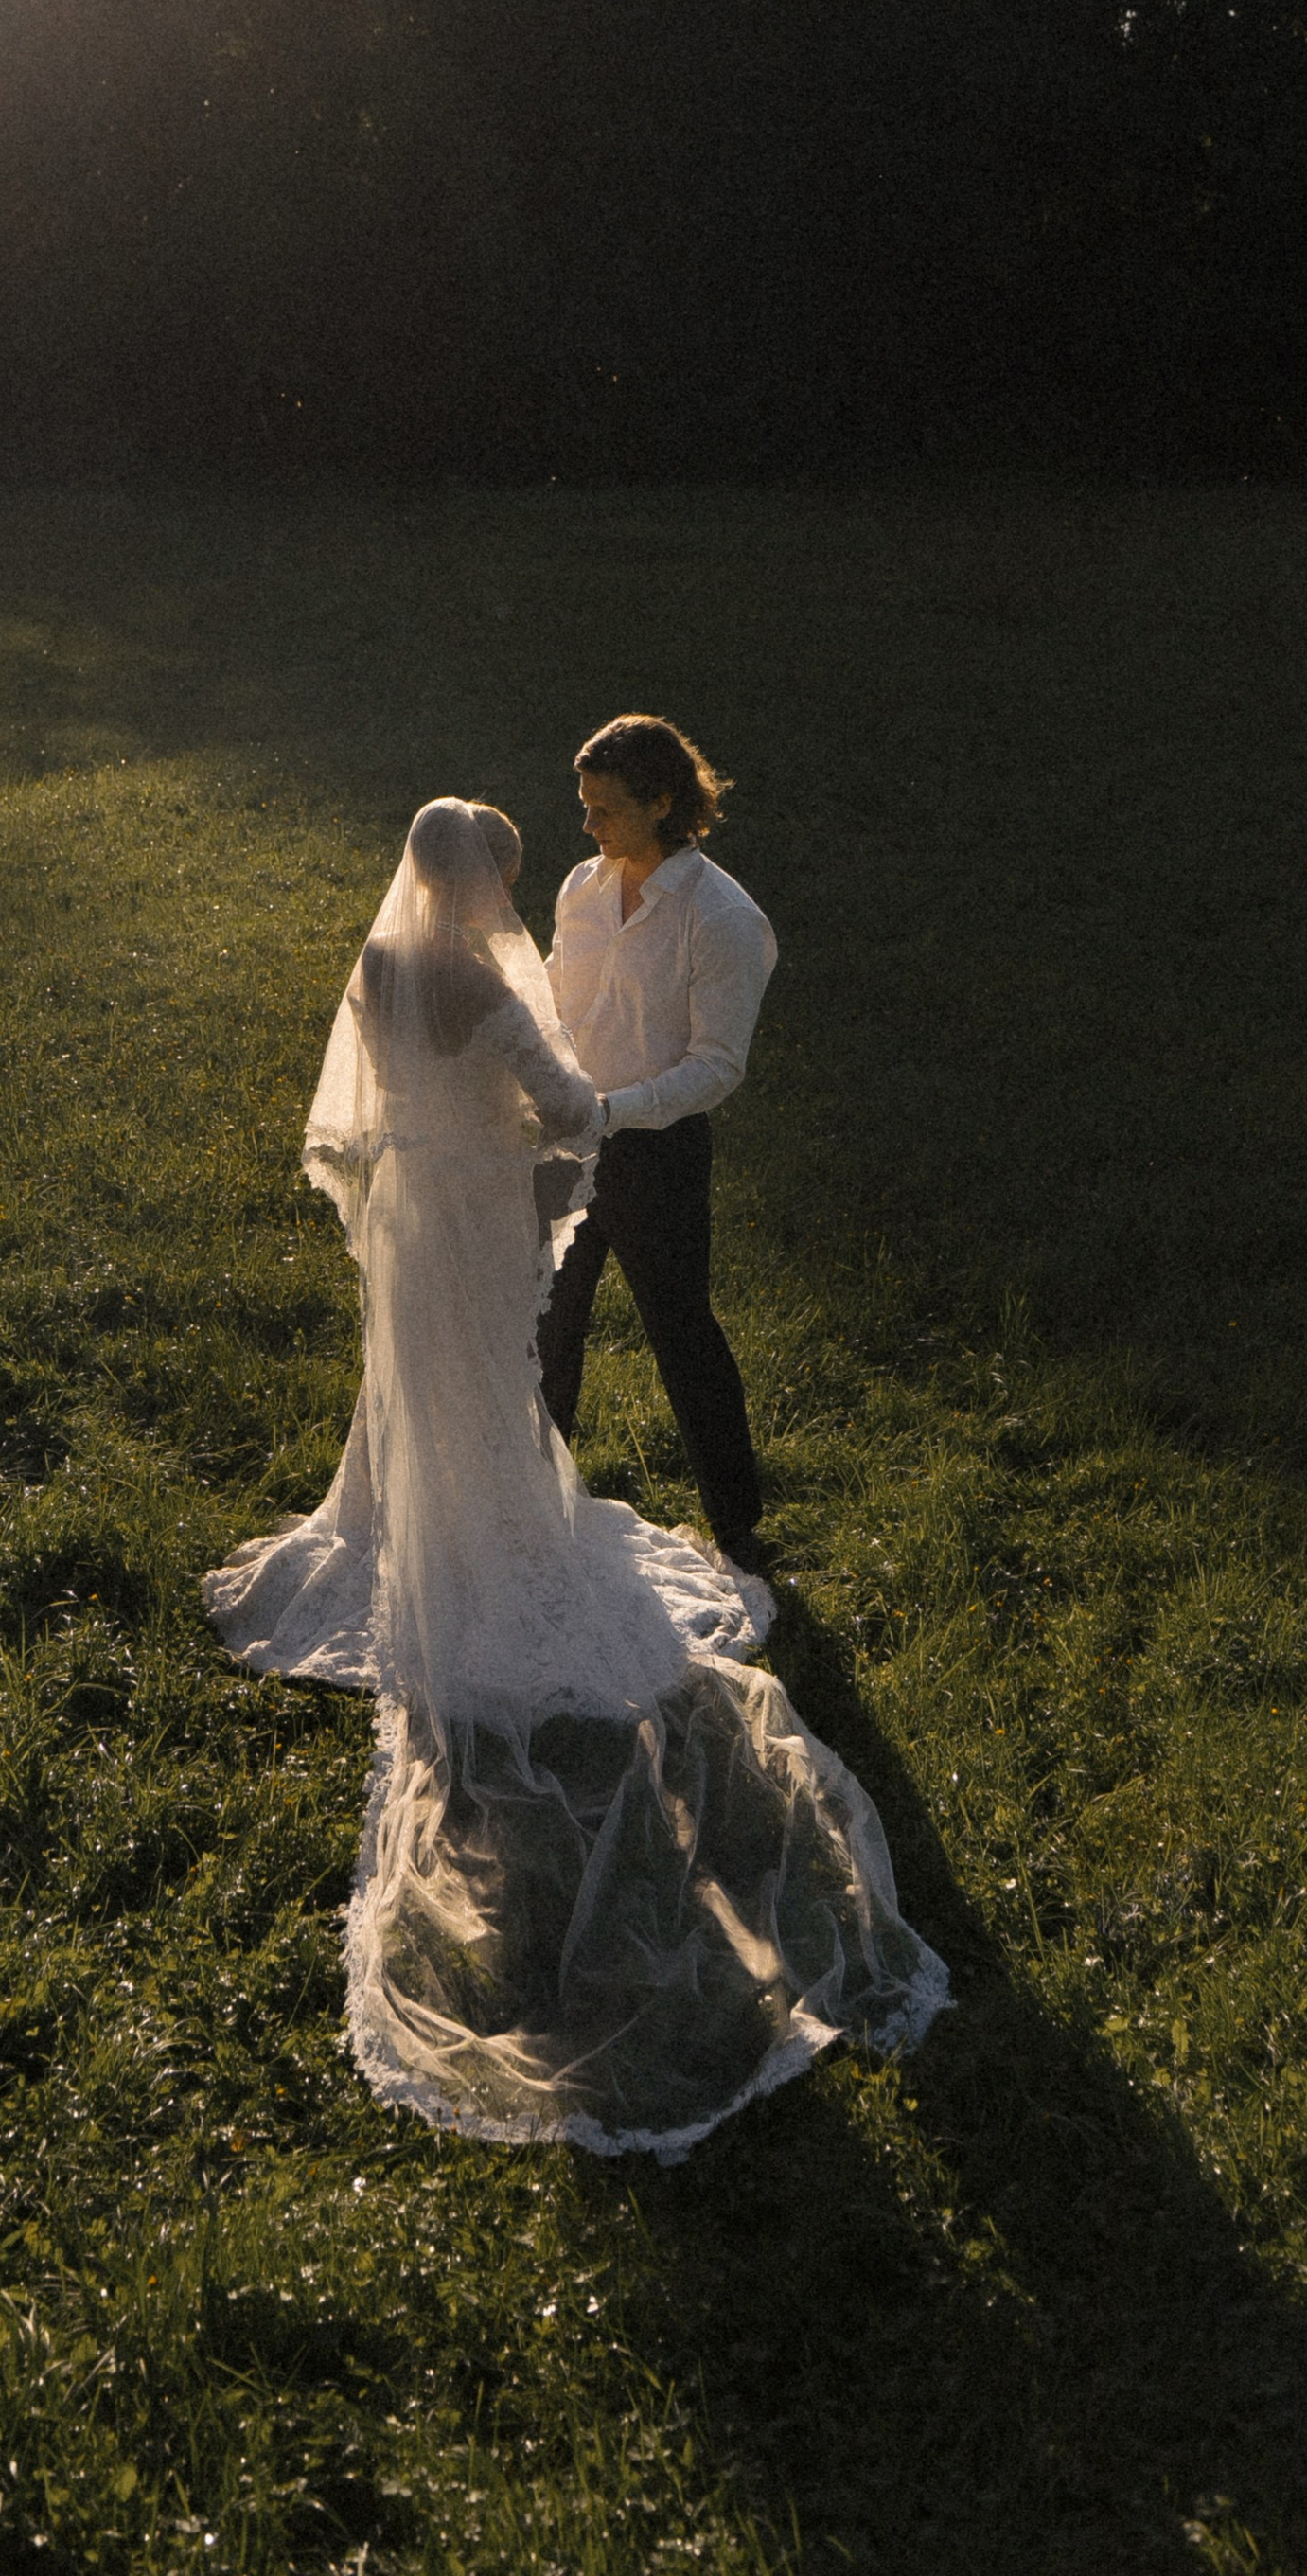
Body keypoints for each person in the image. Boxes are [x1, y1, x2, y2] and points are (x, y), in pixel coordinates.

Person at [203, 797, 945, 2157]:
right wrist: (594, 1116)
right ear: (480, 879)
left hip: (413, 1213)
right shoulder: (488, 989)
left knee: (413, 1392)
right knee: (491, 1390)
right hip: (479, 1212)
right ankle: (493, 1540)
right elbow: (563, 1109)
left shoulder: (377, 967)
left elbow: (376, 1097)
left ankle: (402, 1526)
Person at [537, 715, 777, 1571]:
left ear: (664, 803)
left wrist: (614, 1109)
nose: (589, 826)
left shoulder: (721, 919)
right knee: (548, 1326)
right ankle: (536, 1502)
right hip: (566, 1145)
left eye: (605, 809)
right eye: (585, 806)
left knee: (681, 1329)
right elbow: (557, 1009)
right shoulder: (581, 887)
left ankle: (737, 1520)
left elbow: (716, 1067)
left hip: (657, 1155)